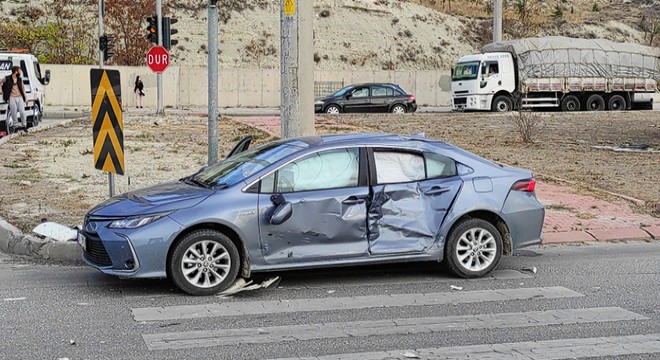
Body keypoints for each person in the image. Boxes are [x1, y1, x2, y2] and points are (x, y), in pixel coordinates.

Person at [0, 66, 28, 133]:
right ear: (16, 72)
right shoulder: (7, 78)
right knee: (13, 112)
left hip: (20, 97)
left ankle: (24, 125)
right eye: (19, 71)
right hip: (11, 97)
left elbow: (23, 89)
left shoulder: (20, 79)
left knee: (22, 112)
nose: (20, 72)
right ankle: (15, 126)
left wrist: (26, 97)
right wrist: (0, 89)